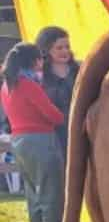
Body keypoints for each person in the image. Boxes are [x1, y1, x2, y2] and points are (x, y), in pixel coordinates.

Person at [0, 42, 66, 222]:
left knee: (34, 199)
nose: (42, 62)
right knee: (52, 197)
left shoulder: (7, 86)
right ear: (33, 60)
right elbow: (53, 115)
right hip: (40, 141)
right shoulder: (29, 85)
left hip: (19, 142)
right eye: (40, 58)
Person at [34, 25, 78, 154]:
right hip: (53, 138)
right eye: (59, 48)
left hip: (79, 130)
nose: (65, 51)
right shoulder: (39, 76)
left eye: (67, 47)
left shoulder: (79, 71)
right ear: (46, 50)